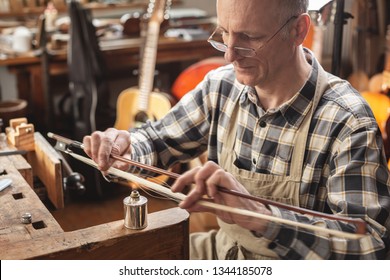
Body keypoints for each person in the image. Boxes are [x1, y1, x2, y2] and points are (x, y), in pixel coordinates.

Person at [83, 0, 390, 259]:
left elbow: (369, 250)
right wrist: (126, 149)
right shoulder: (221, 86)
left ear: (298, 30)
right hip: (226, 251)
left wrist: (264, 217)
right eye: (225, 34)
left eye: (249, 38)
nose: (229, 55)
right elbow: (156, 140)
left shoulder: (348, 121)